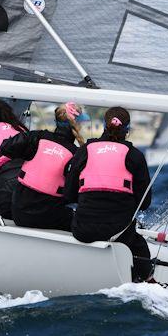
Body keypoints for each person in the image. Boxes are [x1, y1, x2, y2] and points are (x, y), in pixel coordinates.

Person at [64, 106, 152, 275]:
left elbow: (68, 195)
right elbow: (145, 203)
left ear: (104, 125)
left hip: (83, 231)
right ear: (127, 129)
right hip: (119, 234)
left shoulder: (84, 151)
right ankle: (147, 278)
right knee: (138, 244)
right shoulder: (135, 156)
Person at [0, 102, 87, 231]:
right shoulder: (76, 154)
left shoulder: (36, 137)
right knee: (78, 218)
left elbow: (6, 147)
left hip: (19, 213)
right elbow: (73, 194)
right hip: (47, 217)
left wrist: (28, 155)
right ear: (78, 125)